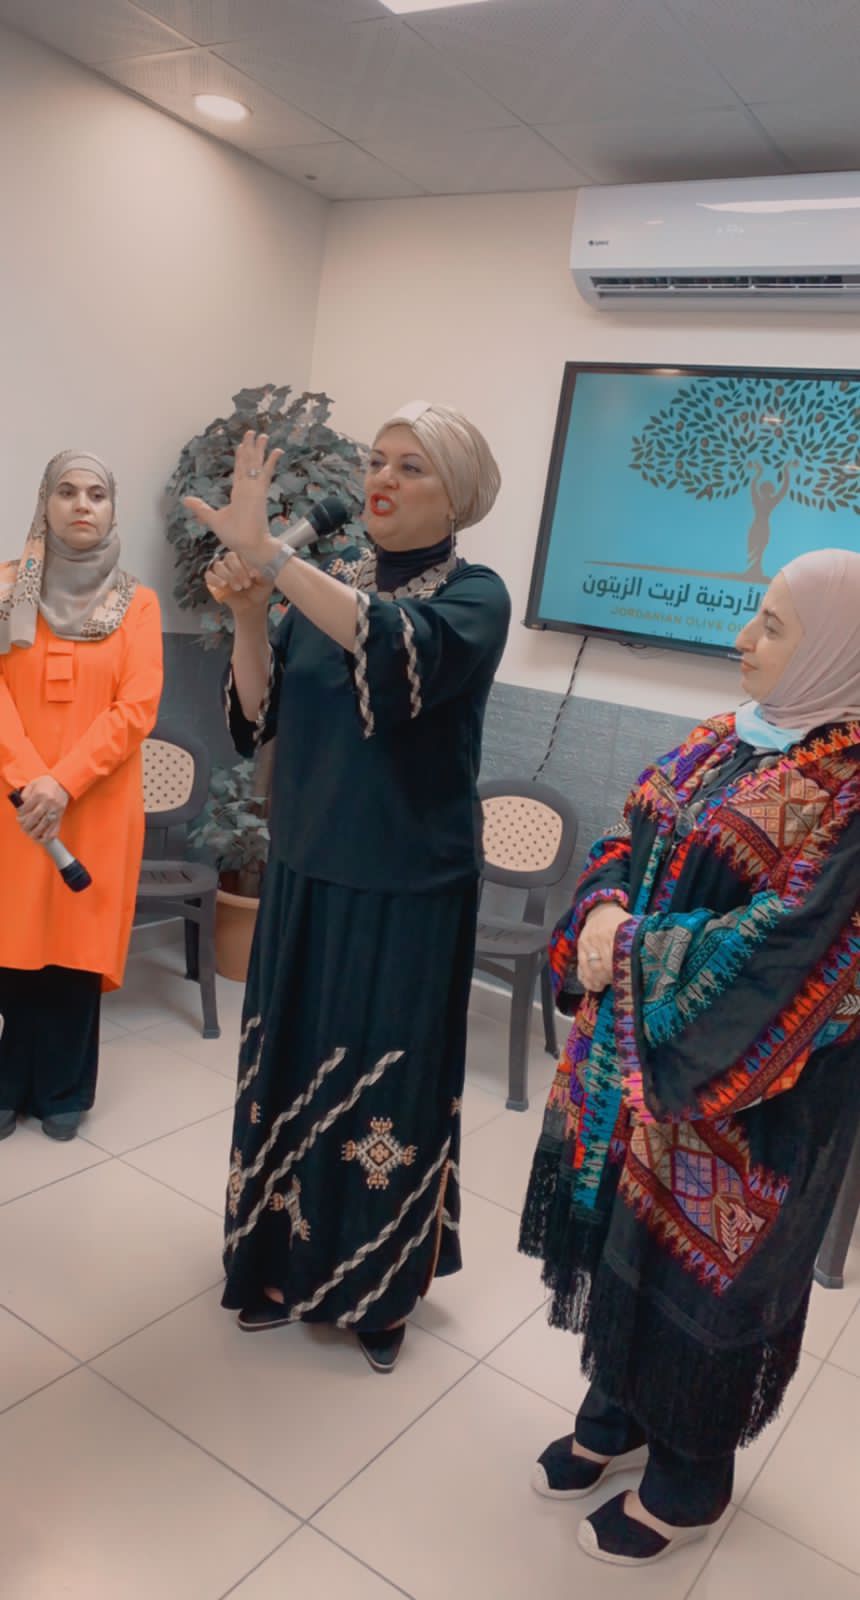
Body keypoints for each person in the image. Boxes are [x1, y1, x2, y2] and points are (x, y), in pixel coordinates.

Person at [520, 547, 860, 1566]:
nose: (742, 639)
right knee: (628, 1241)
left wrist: (625, 949)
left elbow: (793, 946)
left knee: (710, 1278)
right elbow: (624, 834)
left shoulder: (849, 790)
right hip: (643, 1066)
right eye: (754, 615)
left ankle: (690, 1476)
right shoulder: (726, 739)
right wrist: (600, 906)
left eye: (772, 626)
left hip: (762, 1093)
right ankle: (618, 1412)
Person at [188, 403, 510, 1371]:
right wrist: (252, 613)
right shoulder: (328, 587)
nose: (382, 478)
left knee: (388, 1087)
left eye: (411, 466)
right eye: (377, 460)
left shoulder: (476, 598)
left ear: (457, 493)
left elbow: (392, 642)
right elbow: (257, 716)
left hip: (407, 888)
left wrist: (273, 559)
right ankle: (276, 1261)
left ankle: (377, 1285)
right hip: (306, 870)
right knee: (286, 1066)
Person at [0, 452, 163, 1140]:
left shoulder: (138, 603)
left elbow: (137, 707)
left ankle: (65, 1088)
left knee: (74, 944)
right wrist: (29, 779)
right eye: (66, 491)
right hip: (12, 805)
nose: (82, 504)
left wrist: (62, 782)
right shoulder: (6, 588)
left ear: (111, 507)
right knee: (11, 941)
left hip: (96, 804)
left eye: (96, 493)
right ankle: (7, 1083)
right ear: (45, 502)